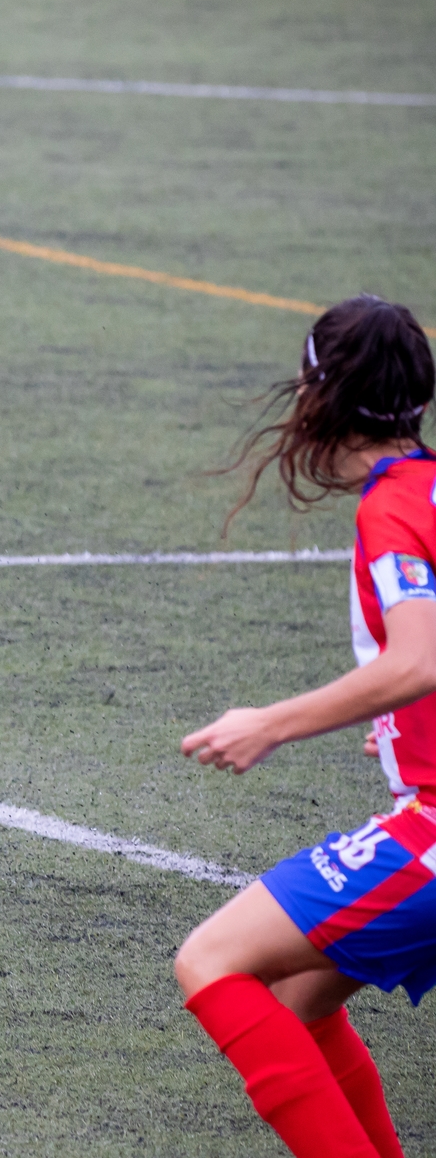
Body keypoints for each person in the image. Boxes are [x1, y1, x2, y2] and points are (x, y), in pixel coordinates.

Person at [174, 295, 436, 1158]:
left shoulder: (391, 509)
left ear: (320, 394)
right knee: (298, 1000)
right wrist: (404, 727)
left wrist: (270, 724)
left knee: (210, 959)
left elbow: (418, 660)